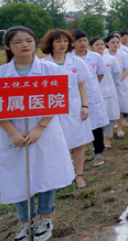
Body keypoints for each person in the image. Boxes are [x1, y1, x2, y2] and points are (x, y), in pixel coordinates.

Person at [0, 27, 75, 241]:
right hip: (14, 135)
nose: (24, 45)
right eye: (17, 42)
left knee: (47, 173)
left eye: (29, 40)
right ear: (7, 46)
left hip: (44, 132)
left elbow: (58, 99)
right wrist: (13, 133)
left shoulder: (50, 69)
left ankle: (44, 219)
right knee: (18, 177)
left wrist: (40, 128)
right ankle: (24, 223)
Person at [40, 29, 92, 189]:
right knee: (54, 144)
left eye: (65, 41)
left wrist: (85, 105)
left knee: (78, 143)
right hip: (51, 110)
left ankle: (79, 175)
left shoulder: (76, 61)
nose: (62, 44)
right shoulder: (42, 64)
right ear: (50, 44)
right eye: (58, 41)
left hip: (74, 108)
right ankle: (58, 176)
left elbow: (82, 83)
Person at [71, 30, 110, 167]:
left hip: (92, 96)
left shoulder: (95, 57)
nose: (83, 43)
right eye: (79, 41)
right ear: (73, 43)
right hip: (74, 96)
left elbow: (100, 74)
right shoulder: (68, 58)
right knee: (73, 124)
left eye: (85, 40)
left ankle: (98, 152)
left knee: (96, 124)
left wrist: (92, 87)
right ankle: (73, 154)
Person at [91, 37, 121, 151]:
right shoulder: (89, 60)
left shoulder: (111, 59)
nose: (100, 46)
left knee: (110, 116)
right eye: (97, 44)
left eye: (101, 44)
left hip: (109, 91)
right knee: (97, 118)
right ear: (92, 46)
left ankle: (106, 140)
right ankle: (98, 142)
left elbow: (116, 73)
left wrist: (115, 83)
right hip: (95, 93)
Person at [104, 34, 128, 138]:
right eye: (113, 42)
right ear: (107, 43)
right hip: (107, 85)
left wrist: (118, 81)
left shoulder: (123, 54)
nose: (116, 45)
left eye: (117, 42)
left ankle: (119, 128)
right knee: (110, 107)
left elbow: (127, 69)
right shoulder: (103, 55)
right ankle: (111, 129)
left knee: (120, 105)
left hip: (120, 84)